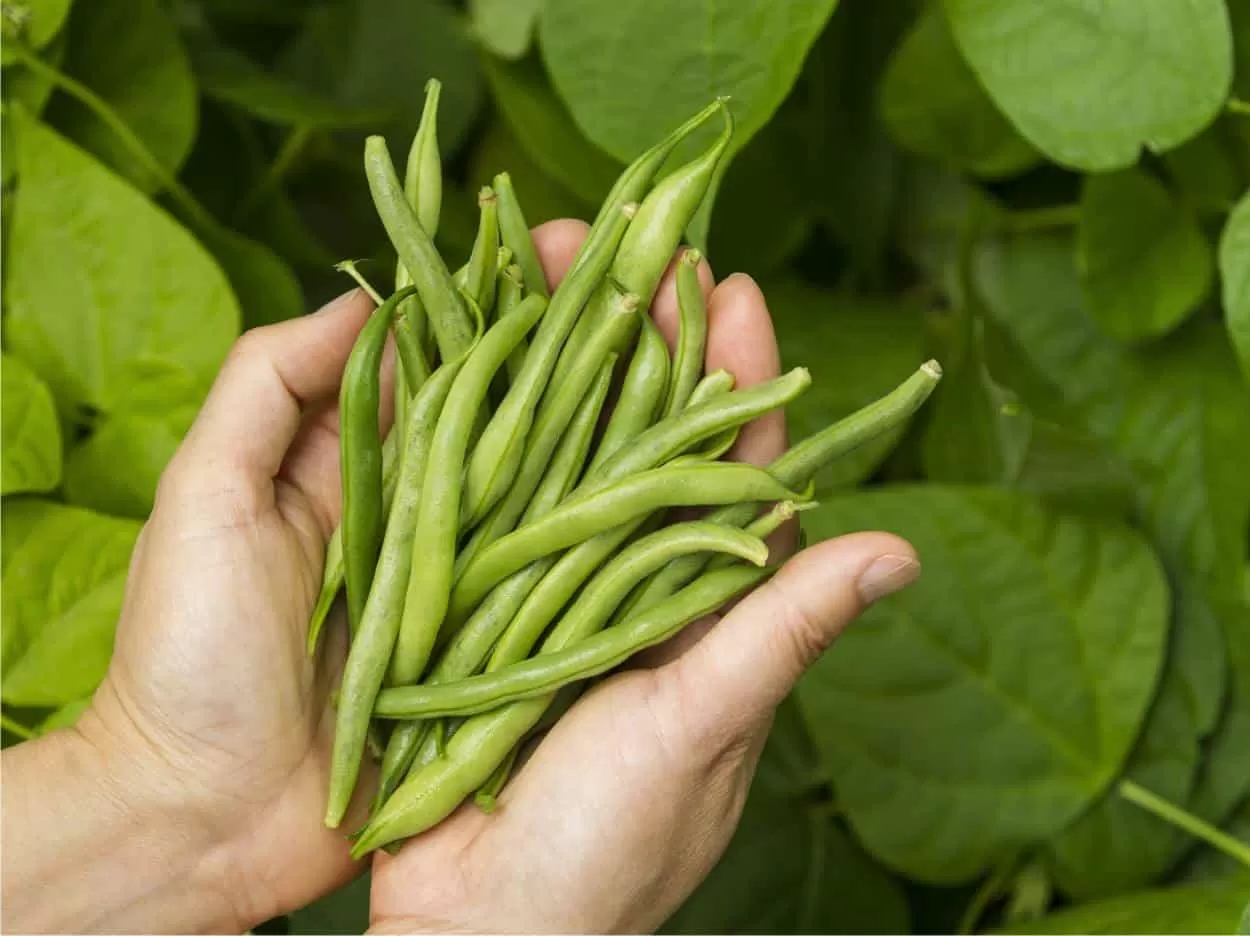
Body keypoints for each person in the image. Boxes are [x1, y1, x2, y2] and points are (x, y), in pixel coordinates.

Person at [1, 220, 919, 934]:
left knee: (546, 482)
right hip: (386, 724)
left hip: (362, 733)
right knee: (497, 451)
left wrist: (161, 789)